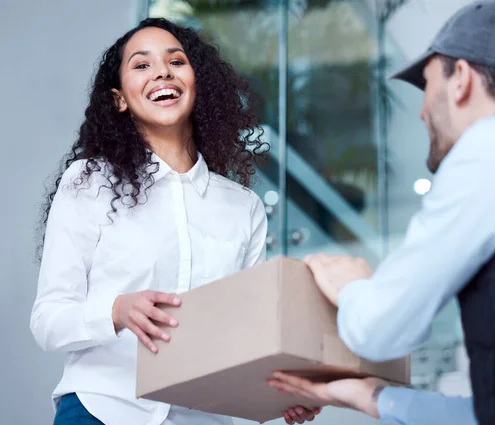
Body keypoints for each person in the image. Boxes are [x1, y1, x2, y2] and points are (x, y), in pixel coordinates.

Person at [269, 1, 495, 424]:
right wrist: (367, 396)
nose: (422, 111)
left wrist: (352, 286)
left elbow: (379, 331)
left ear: (460, 79)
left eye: (426, 84)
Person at [31, 18, 319, 425]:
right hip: (104, 409)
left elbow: (241, 337)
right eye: (142, 65)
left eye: (176, 61)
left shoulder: (244, 208)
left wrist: (281, 390)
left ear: (197, 85)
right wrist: (118, 311)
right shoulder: (90, 181)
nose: (162, 71)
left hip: (202, 416)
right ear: (119, 100)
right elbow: (48, 321)